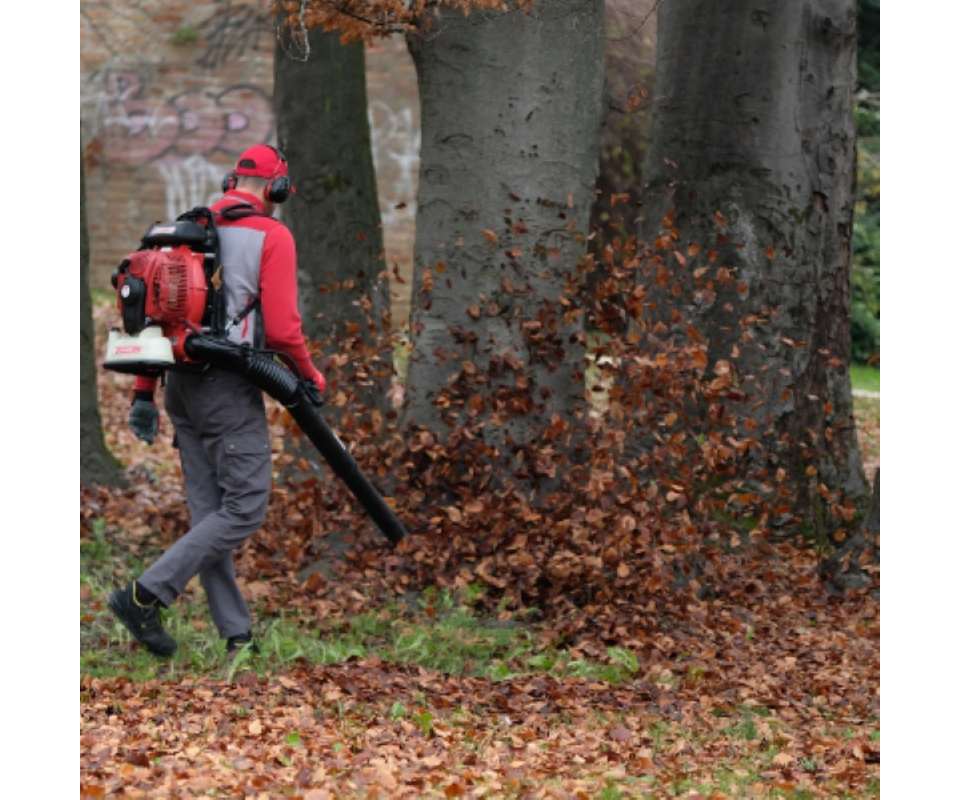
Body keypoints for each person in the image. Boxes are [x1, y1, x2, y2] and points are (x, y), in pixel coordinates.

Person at [109, 144, 326, 657]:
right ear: (275, 188)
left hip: (179, 388)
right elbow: (284, 329)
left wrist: (143, 394)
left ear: (232, 181)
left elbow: (155, 319)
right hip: (227, 388)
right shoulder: (272, 235)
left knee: (211, 517)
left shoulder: (185, 231)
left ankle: (237, 637)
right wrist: (309, 375)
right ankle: (144, 595)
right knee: (244, 509)